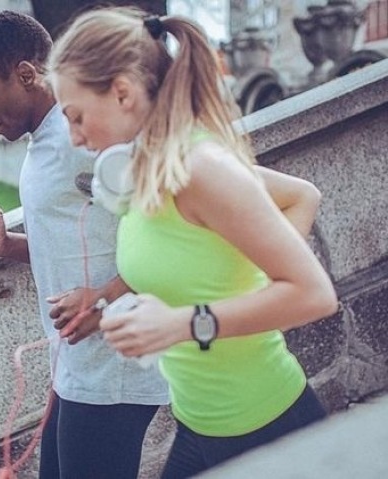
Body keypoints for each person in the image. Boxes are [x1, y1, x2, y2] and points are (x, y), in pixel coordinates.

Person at [47, 6, 339, 479]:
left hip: (267, 427)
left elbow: (315, 294)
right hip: (198, 426)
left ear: (121, 92)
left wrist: (191, 321)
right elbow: (295, 197)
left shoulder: (201, 167)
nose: (76, 139)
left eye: (76, 117)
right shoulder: (143, 171)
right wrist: (112, 309)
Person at [0, 11, 169, 479]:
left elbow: (173, 240)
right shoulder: (48, 138)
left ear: (26, 75)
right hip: (75, 366)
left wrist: (105, 301)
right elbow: (83, 241)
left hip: (115, 368)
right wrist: (7, 244)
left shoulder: (87, 137)